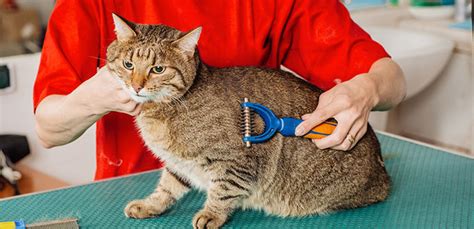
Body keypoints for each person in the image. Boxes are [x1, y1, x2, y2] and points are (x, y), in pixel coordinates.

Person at [34, 0, 406, 180]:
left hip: (243, 188)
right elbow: (49, 130)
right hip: (138, 190)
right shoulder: (91, 3)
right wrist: (92, 98)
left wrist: (367, 89)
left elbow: (393, 80)